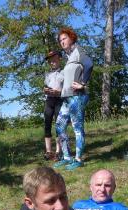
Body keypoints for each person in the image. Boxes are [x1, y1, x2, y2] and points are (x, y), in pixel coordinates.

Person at [52, 28, 93, 171]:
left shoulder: (78, 51)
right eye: (60, 40)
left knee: (77, 128)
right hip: (67, 98)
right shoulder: (69, 57)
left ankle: (78, 159)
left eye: (64, 39)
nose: (62, 42)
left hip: (77, 97)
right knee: (59, 126)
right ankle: (67, 157)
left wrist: (83, 84)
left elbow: (89, 64)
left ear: (71, 38)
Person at [42, 50, 64, 161]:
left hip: (59, 100)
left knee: (59, 125)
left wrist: (58, 92)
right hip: (49, 100)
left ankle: (58, 151)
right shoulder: (48, 74)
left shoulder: (64, 72)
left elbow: (68, 90)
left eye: (54, 60)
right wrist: (45, 90)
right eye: (50, 61)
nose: (52, 62)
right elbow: (46, 86)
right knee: (47, 124)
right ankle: (48, 151)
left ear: (59, 58)